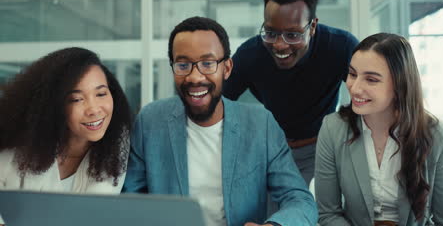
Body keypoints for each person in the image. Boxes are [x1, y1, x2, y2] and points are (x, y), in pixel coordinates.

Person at [122, 16, 317, 226]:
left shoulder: (261, 125)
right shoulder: (150, 121)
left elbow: (301, 201)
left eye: (208, 63)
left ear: (227, 68)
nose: (195, 77)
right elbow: (130, 201)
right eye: (183, 64)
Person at [314, 33, 443, 226]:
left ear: (399, 85)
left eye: (371, 79)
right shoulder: (333, 128)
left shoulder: (440, 137)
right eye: (353, 74)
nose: (354, 88)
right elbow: (328, 213)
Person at [223, 0, 358, 184]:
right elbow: (217, 103)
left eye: (293, 35)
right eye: (271, 32)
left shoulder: (340, 47)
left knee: (321, 209)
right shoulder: (250, 54)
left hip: (323, 147)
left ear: (312, 26)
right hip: (274, 149)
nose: (279, 45)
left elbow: (369, 96)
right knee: (268, 213)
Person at [0, 47, 132, 224]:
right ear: (52, 106)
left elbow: (94, 213)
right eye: (76, 99)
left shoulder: (115, 141)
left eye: (101, 94)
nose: (94, 109)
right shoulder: (12, 152)